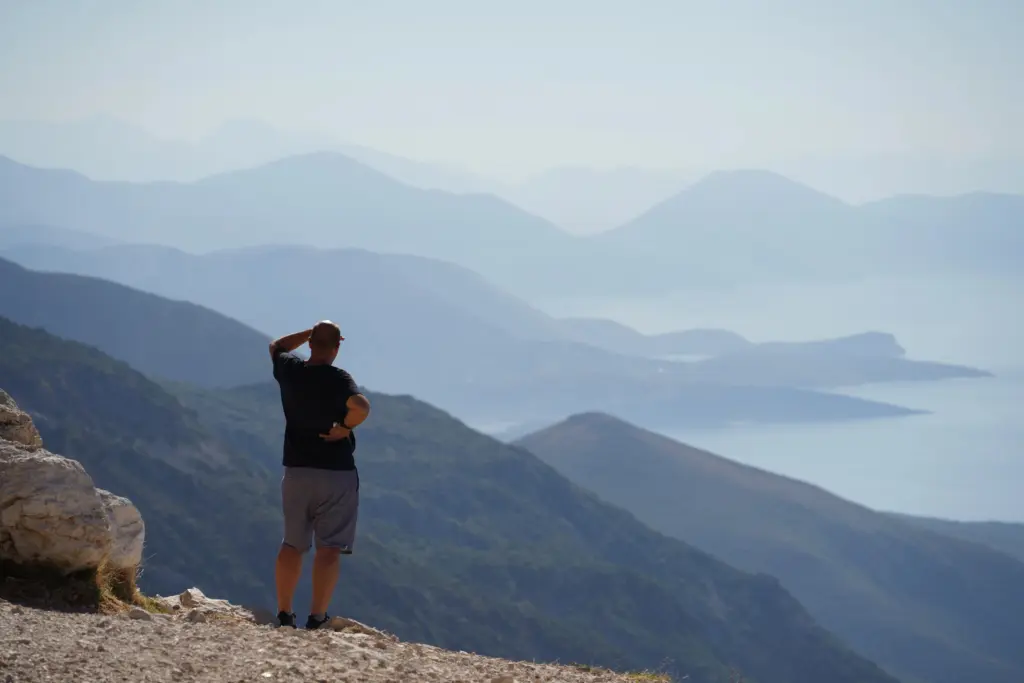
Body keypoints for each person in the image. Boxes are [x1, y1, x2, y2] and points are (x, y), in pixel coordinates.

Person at [268, 320, 371, 629]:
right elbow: (361, 406)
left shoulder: (291, 371)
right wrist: (346, 428)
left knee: (292, 544)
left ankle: (285, 614)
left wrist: (308, 333)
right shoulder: (339, 379)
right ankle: (317, 617)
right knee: (328, 549)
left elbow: (277, 346)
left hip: (297, 470)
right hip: (335, 474)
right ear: (337, 347)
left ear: (311, 344)